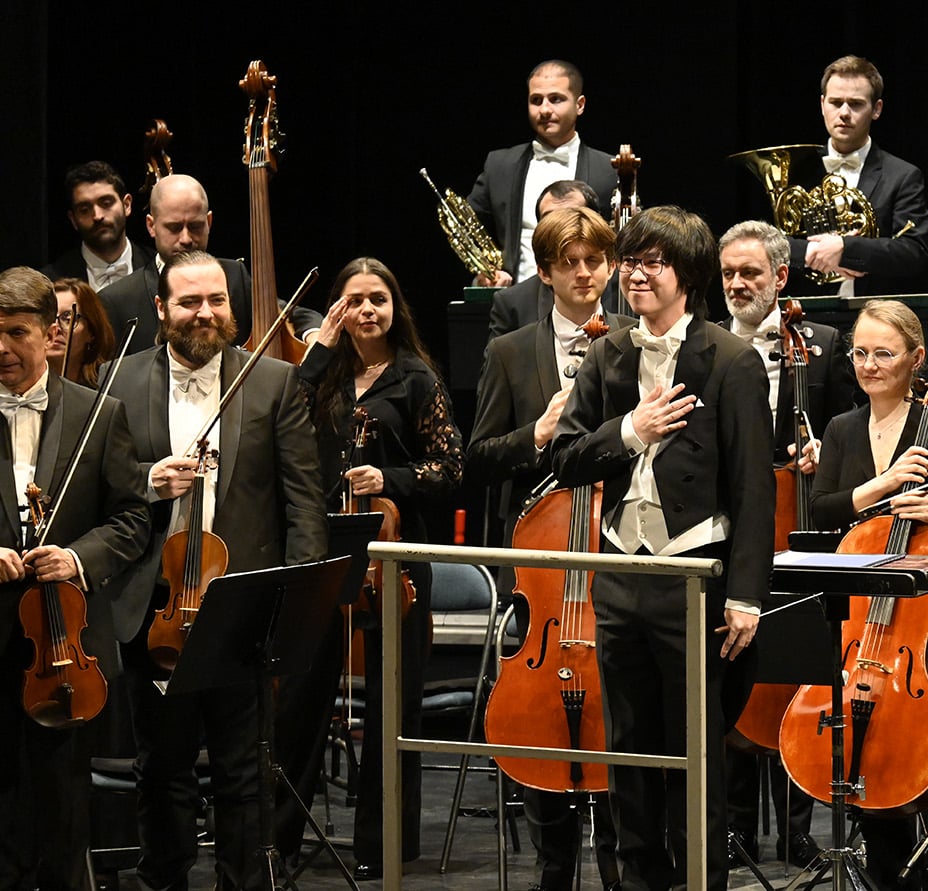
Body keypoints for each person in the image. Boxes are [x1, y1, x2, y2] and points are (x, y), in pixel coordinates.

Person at [551, 205, 775, 890]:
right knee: (630, 749)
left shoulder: (731, 360)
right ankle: (636, 881)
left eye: (652, 261)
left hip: (693, 577)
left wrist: (744, 595)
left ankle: (700, 880)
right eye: (631, 260)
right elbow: (565, 458)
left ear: (688, 273)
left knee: (694, 750)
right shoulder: (608, 352)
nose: (635, 273)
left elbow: (753, 488)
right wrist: (629, 429)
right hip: (621, 573)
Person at [102, 250, 327, 889]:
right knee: (162, 768)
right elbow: (102, 490)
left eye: (217, 301)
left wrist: (291, 608)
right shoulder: (116, 383)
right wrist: (149, 481)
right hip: (155, 605)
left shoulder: (273, 382)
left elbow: (303, 506)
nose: (205, 313)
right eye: (190, 302)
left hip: (242, 610)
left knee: (242, 772)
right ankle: (164, 880)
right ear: (160, 310)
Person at [809, 299, 928, 890]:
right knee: (872, 784)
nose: (870, 365)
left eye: (885, 354)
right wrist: (881, 486)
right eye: (861, 353)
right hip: (863, 637)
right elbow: (821, 511)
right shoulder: (843, 429)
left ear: (918, 360)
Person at [470, 206, 629, 891]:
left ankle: (626, 867)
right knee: (541, 725)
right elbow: (476, 459)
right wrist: (536, 436)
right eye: (571, 263)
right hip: (540, 567)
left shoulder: (635, 340)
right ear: (546, 271)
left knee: (624, 739)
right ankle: (552, 867)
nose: (586, 273)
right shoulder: (509, 352)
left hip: (616, 556)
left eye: (596, 260)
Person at [299, 257, 464, 877]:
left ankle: (383, 844)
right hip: (324, 555)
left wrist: (389, 478)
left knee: (395, 703)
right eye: (354, 300)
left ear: (396, 307)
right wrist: (319, 350)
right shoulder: (323, 376)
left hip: (395, 563)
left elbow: (451, 468)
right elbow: (279, 424)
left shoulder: (417, 378)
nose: (367, 310)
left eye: (378, 299)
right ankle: (284, 833)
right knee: (306, 694)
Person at [0, 266, 151, 890]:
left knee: (64, 805)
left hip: (65, 646)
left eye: (15, 333)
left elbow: (134, 518)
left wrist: (79, 558)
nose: (1, 349)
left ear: (50, 331)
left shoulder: (101, 413)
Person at [716, 219, 857, 867]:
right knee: (736, 661)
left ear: (782, 276)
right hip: (734, 527)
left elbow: (854, 434)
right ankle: (736, 823)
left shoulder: (826, 343)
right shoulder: (710, 346)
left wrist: (826, 455)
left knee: (798, 666)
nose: (738, 283)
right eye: (728, 274)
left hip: (803, 527)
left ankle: (798, 824)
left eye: (751, 272)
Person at [98, 174, 322, 354]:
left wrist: (313, 333)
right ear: (151, 226)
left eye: (195, 226)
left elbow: (288, 312)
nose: (186, 239)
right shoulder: (117, 300)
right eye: (174, 228)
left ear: (209, 222)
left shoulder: (234, 274)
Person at [783, 55, 928, 298]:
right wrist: (812, 253)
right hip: (804, 316)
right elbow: (769, 244)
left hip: (876, 316)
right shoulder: (796, 170)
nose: (844, 113)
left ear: (877, 109)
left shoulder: (903, 176)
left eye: (856, 104)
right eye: (835, 102)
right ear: (822, 105)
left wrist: (845, 248)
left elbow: (914, 251)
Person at [467, 60, 618, 289]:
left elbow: (624, 243)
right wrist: (485, 269)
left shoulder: (608, 169)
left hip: (585, 299)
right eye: (536, 100)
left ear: (580, 105)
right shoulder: (499, 165)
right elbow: (469, 229)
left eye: (556, 99)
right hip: (515, 301)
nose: (545, 109)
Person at [488, 179, 622, 341]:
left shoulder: (631, 293)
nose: (564, 225)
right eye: (568, 262)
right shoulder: (512, 303)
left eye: (572, 214)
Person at [42, 161, 152, 289]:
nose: (97, 216)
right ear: (73, 219)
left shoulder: (158, 269)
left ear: (126, 205)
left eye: (106, 203)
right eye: (84, 210)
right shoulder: (50, 282)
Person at [47, 277, 116, 387]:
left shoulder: (109, 389)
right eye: (48, 317)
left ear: (91, 331)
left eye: (68, 318)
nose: (56, 328)